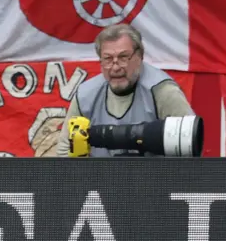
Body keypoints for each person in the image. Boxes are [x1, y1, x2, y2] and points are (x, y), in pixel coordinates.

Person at [56, 23, 195, 157]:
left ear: (140, 56)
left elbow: (190, 144)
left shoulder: (163, 92)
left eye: (123, 57)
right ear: (100, 61)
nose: (115, 68)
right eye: (108, 59)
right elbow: (64, 150)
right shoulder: (85, 95)